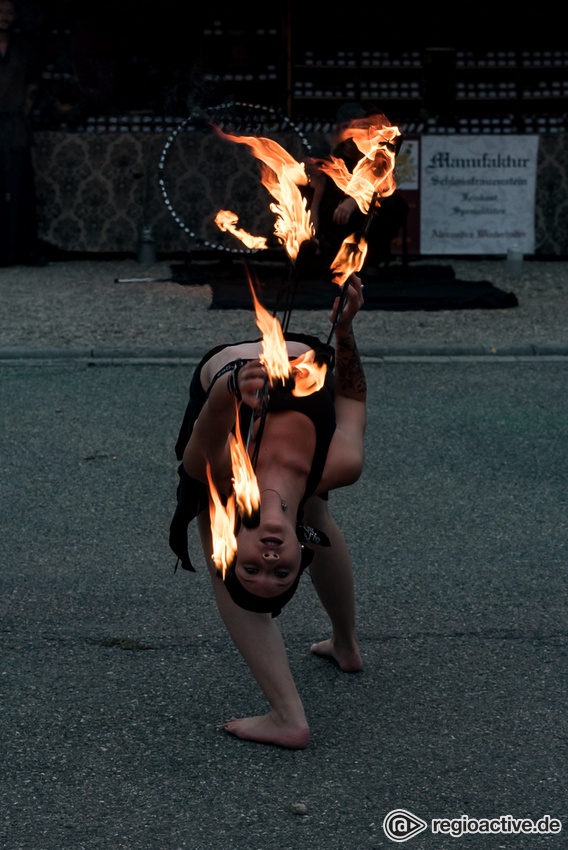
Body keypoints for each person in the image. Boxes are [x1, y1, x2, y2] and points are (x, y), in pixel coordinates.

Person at [170, 275, 367, 748]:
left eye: (252, 565)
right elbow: (352, 397)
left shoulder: (214, 472)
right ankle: (345, 645)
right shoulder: (339, 465)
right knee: (312, 511)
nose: (271, 560)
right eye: (281, 574)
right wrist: (344, 331)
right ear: (302, 555)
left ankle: (286, 714)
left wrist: (236, 385)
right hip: (309, 352)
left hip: (225, 381)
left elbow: (214, 414)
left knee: (208, 513)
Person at [0, 0, 41, 265]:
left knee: (17, 189)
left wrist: (25, 107)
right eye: (0, 11)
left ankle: (16, 250)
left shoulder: (22, 50)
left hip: (13, 127)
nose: (4, 16)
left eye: (8, 12)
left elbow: (32, 84)